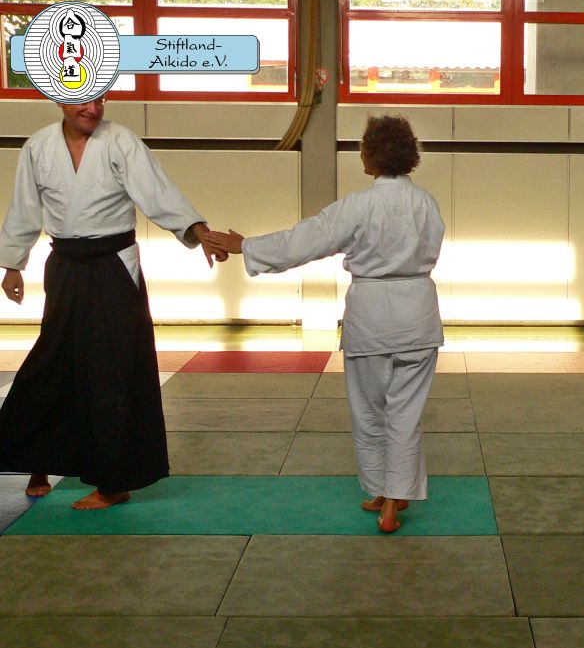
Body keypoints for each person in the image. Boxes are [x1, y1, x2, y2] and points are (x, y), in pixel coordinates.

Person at [205, 115, 444, 534]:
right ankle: (394, 495)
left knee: (370, 411)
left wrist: (247, 246)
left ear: (371, 156)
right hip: (418, 315)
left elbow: (305, 240)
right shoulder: (427, 204)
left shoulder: (358, 206)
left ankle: (384, 493)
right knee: (406, 414)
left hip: (372, 316)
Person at [0, 96, 223, 510]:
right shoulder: (39, 146)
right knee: (52, 361)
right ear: (60, 99)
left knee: (114, 369)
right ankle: (38, 461)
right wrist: (13, 264)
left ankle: (114, 482)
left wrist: (198, 231)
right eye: (83, 101)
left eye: (99, 99)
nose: (93, 109)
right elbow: (24, 208)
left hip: (114, 266)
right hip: (65, 264)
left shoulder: (120, 141)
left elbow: (158, 192)